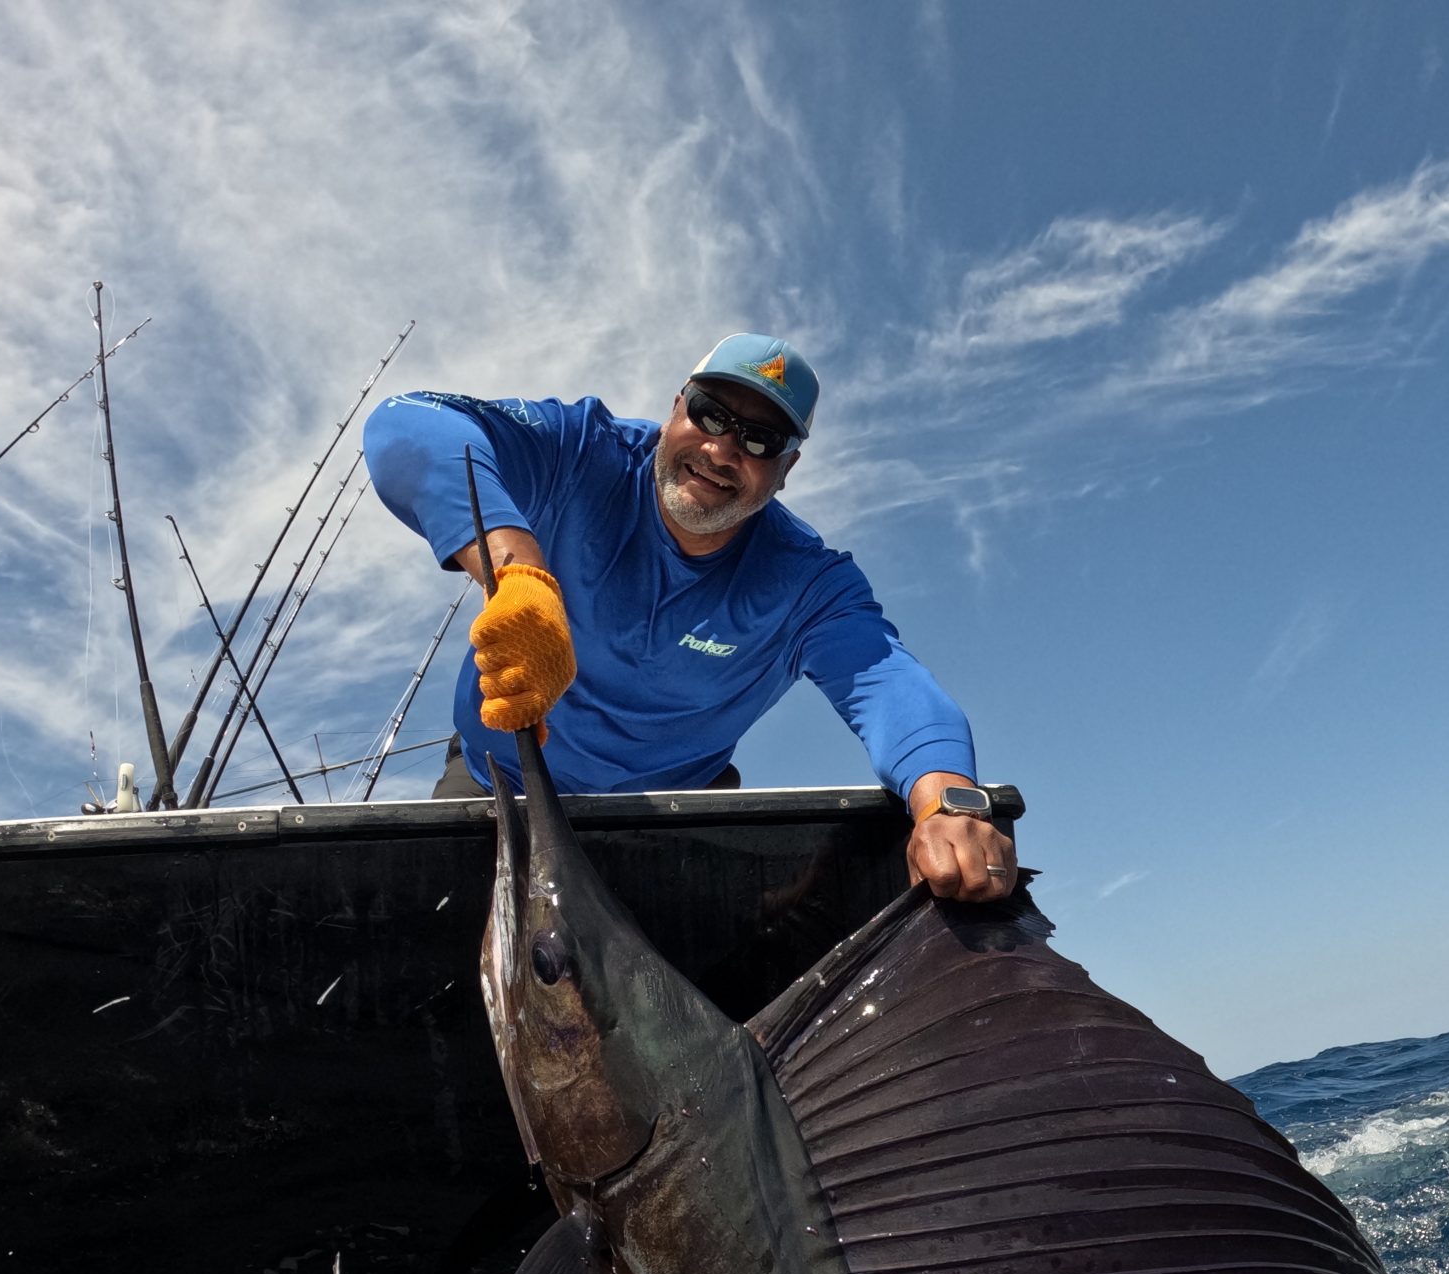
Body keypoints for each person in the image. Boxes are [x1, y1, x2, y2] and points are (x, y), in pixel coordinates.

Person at [360, 334, 1015, 901]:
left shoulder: (810, 584)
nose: (723, 449)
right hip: (493, 787)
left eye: (760, 439)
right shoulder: (579, 451)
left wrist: (948, 800)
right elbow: (405, 423)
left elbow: (887, 682)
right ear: (676, 407)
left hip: (673, 823)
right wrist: (516, 571)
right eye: (710, 414)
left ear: (786, 469)